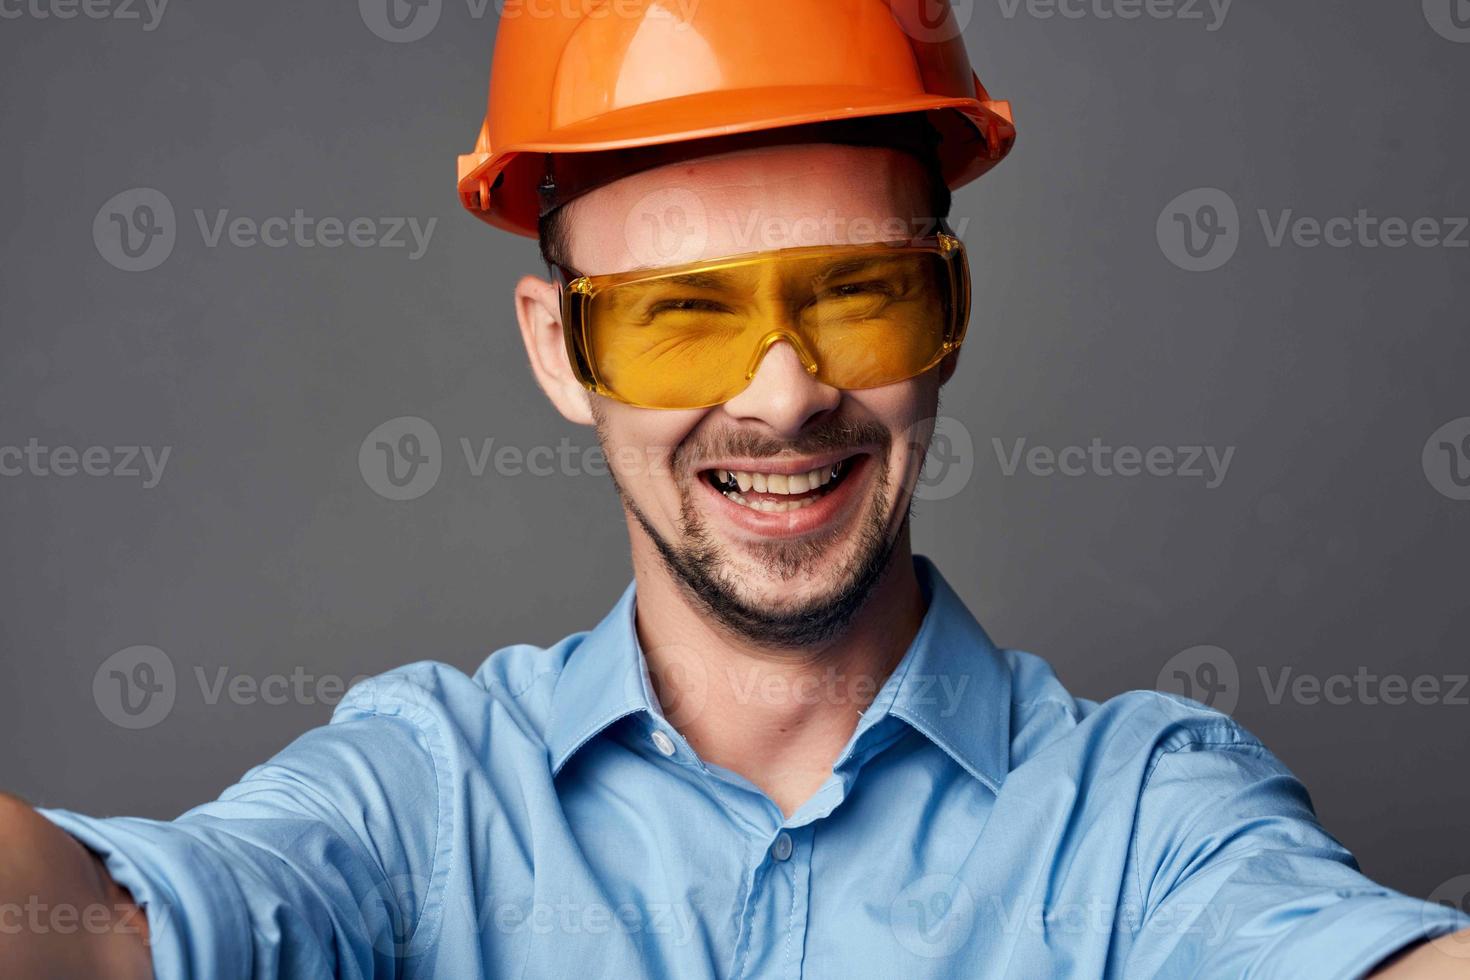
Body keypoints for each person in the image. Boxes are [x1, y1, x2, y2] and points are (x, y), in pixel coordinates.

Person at [2, 2, 1467, 977]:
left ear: (952, 309)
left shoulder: (1146, 818)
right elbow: (94, 939)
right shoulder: (424, 795)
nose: (782, 394)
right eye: (679, 315)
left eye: (859, 294)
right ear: (558, 351)